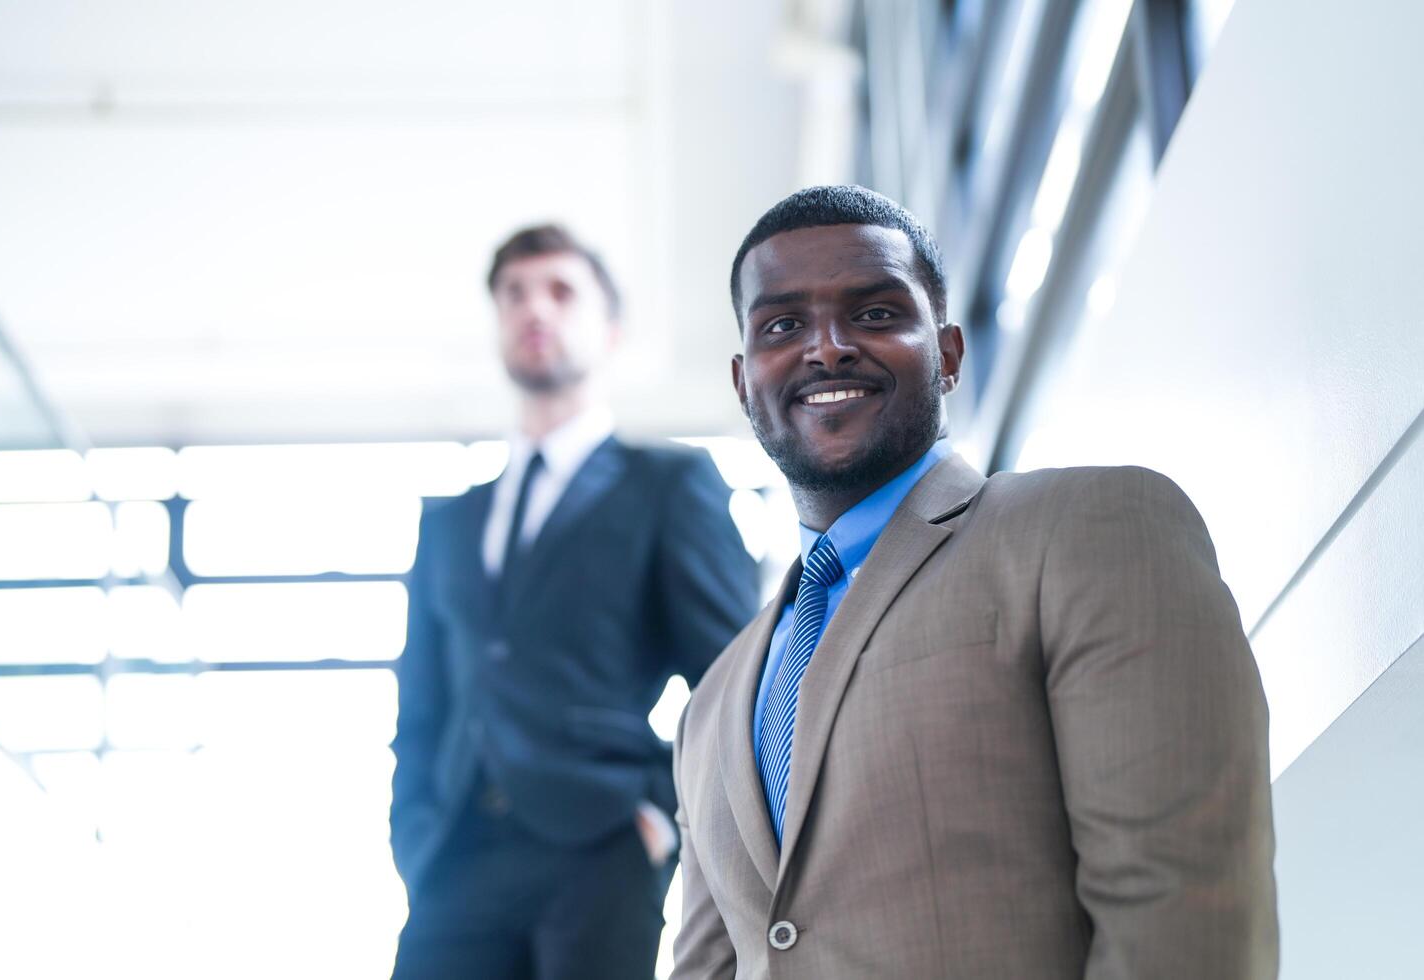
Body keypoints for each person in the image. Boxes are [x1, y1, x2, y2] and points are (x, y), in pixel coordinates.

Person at [671, 186, 1278, 978]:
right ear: (744, 382)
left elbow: (1182, 912)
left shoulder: (1088, 530)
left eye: (876, 313)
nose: (827, 348)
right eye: (783, 325)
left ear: (948, 354)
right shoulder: (713, 701)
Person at [390, 224, 760, 979]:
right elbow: (420, 703)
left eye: (562, 291)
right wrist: (414, 832)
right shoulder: (450, 523)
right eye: (514, 294)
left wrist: (660, 816)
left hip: (601, 843)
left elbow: (731, 682)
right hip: (454, 855)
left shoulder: (666, 486)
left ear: (611, 329)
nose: (536, 310)